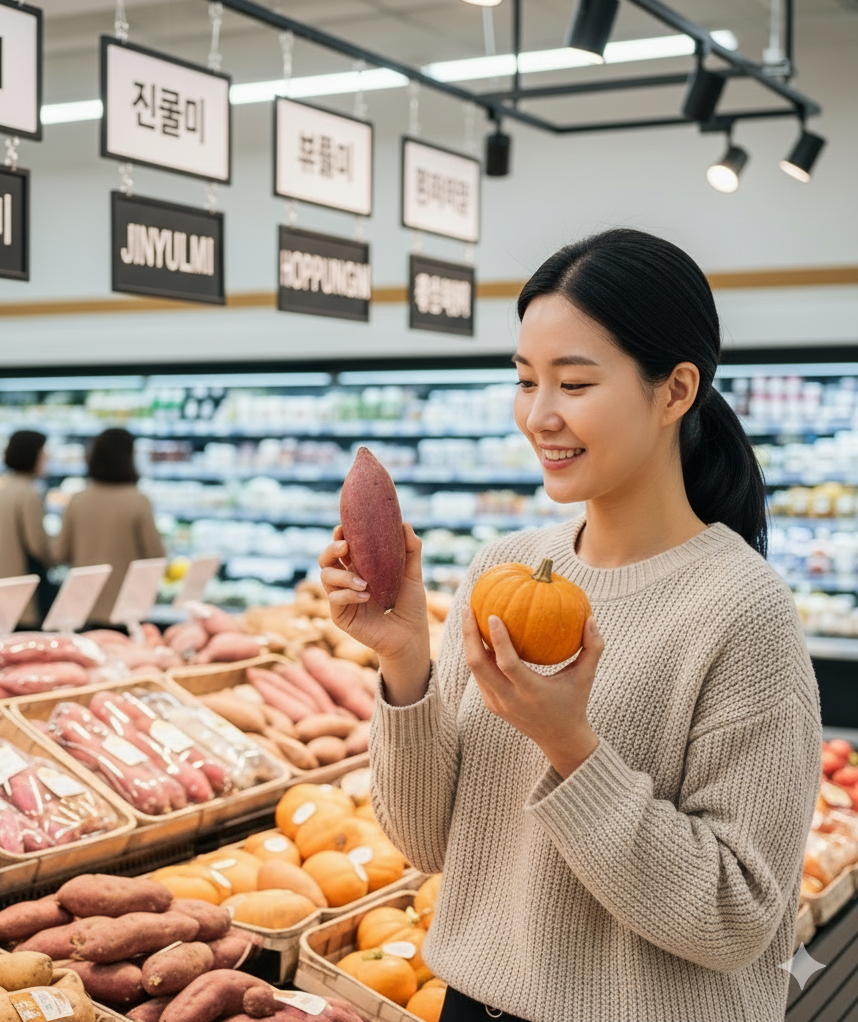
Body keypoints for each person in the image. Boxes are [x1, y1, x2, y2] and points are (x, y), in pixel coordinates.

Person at [319, 228, 822, 1022]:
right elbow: (430, 842)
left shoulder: (741, 609)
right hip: (474, 1006)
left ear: (675, 391)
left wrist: (571, 747)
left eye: (575, 384)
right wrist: (407, 660)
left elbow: (736, 916)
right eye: (525, 381)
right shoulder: (502, 569)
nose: (539, 416)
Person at [54, 426, 165, 626]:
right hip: (126, 606)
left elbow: (61, 552)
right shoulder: (138, 501)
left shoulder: (77, 500)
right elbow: (155, 555)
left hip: (82, 604)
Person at [0, 429, 53, 627]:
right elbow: (37, 546)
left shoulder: (2, 491)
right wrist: (57, 556)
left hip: (1, 589)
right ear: (32, 455)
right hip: (24, 590)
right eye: (43, 452)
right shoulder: (29, 494)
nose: (46, 457)